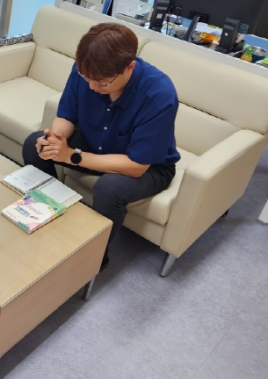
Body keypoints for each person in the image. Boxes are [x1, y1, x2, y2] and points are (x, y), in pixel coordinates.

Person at [23, 23, 180, 270]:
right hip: (94, 144)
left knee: (109, 188)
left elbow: (136, 165)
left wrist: (71, 155)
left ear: (129, 67)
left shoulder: (159, 94)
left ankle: (95, 258)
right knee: (35, 145)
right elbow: (66, 116)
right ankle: (49, 214)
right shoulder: (85, 70)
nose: (93, 87)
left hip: (148, 167)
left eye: (103, 83)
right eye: (87, 79)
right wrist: (56, 139)